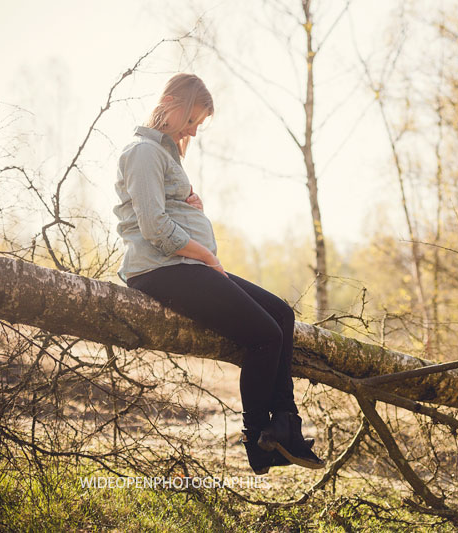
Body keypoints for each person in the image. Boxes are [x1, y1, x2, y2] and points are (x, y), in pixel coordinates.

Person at [112, 73, 324, 475]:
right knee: (264, 336)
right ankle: (258, 440)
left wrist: (194, 208)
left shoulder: (167, 154)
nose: (193, 130)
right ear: (170, 103)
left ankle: (286, 425)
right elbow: (155, 229)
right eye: (191, 120)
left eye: (197, 124)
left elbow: (168, 213)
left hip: (184, 265)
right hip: (162, 270)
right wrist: (208, 258)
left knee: (282, 315)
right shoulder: (142, 152)